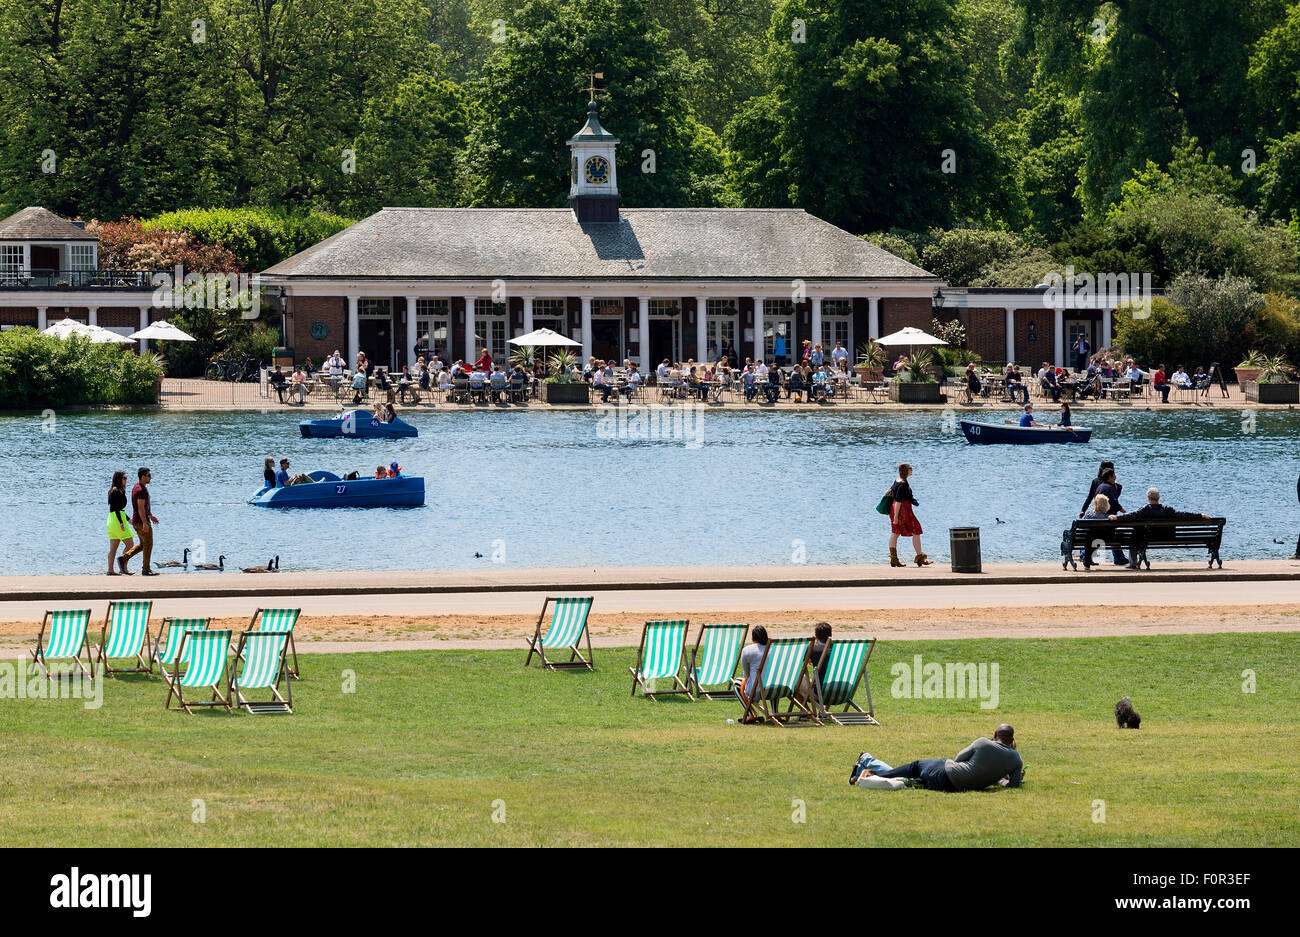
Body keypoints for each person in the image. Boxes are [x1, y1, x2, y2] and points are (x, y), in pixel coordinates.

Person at [853, 725, 1024, 791]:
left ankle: (869, 768)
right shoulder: (1016, 760)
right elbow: (1014, 785)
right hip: (950, 787)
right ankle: (867, 764)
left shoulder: (983, 742)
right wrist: (1001, 778)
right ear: (1012, 740)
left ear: (994, 734)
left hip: (944, 772)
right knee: (914, 778)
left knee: (916, 766)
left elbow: (957, 759)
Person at [887, 462, 931, 567]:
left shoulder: (897, 480)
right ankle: (919, 557)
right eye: (910, 468)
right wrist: (896, 517)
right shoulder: (903, 483)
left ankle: (894, 559)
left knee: (896, 532)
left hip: (896, 509)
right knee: (916, 530)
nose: (912, 470)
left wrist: (912, 500)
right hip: (902, 510)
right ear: (906, 470)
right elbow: (898, 500)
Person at [119, 467, 158, 576]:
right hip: (141, 522)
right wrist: (145, 522)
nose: (150, 477)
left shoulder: (136, 487)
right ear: (143, 476)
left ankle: (123, 558)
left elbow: (143, 507)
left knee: (142, 545)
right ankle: (146, 569)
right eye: (148, 475)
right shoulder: (141, 490)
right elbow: (140, 507)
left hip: (137, 521)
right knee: (148, 544)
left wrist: (150, 515)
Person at [737, 625, 769, 723]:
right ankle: (776, 713)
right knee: (772, 680)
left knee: (737, 683)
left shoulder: (747, 650)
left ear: (753, 638)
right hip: (777, 689)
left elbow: (746, 674)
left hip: (757, 690)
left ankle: (750, 715)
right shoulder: (774, 649)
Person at [106, 470, 135, 576]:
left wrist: (128, 520)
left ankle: (110, 570)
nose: (126, 480)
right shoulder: (116, 491)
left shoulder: (116, 490)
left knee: (113, 547)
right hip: (117, 519)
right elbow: (116, 508)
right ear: (119, 479)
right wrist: (122, 522)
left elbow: (119, 509)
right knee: (130, 545)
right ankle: (123, 567)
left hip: (113, 519)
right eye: (124, 478)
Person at [1124, 487, 1211, 522]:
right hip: (1168, 537)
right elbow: (1183, 514)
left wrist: (1117, 517)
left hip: (1147, 538)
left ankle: (1133, 562)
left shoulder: (1145, 510)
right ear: (1158, 498)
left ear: (1148, 498)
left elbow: (1132, 515)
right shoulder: (1167, 510)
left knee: (1134, 541)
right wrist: (1200, 515)